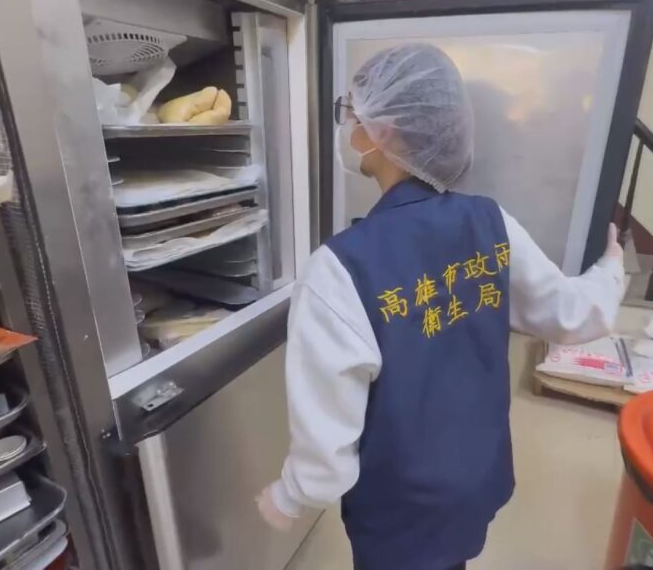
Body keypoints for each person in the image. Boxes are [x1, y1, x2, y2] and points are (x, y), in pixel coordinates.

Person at [257, 43, 625, 570]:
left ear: (383, 132)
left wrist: (287, 497)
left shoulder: (337, 270)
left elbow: (326, 458)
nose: (347, 127)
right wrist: (611, 268)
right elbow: (574, 314)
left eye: (351, 113)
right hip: (476, 479)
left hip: (399, 509)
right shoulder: (491, 222)